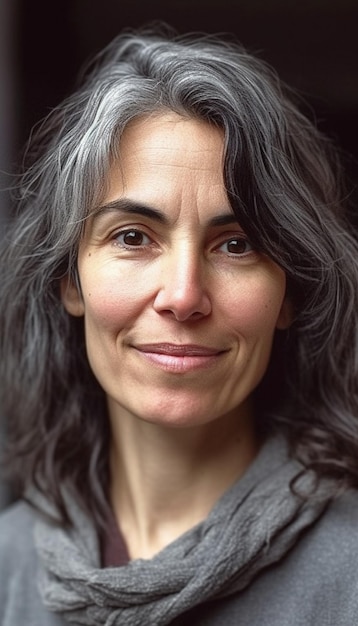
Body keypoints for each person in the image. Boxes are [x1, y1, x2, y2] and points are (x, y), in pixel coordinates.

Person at [1, 23, 358, 626]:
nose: (185, 295)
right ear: (69, 279)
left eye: (238, 244)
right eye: (133, 237)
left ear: (291, 294)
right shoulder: (8, 565)